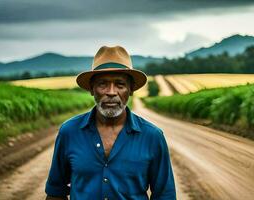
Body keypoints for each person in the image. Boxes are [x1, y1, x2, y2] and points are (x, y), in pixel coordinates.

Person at [45, 46, 176, 200]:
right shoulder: (69, 132)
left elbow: (165, 195)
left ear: (131, 89)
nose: (111, 92)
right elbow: (55, 193)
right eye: (103, 84)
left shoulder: (153, 136)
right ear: (92, 89)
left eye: (120, 84)